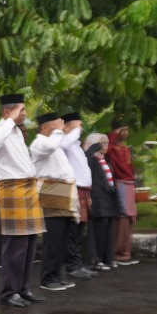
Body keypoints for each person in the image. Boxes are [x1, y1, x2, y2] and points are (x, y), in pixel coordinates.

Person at [0, 94, 45, 309]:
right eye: (21, 109)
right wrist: (10, 119)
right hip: (12, 188)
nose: (25, 113)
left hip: (28, 187)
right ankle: (9, 291)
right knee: (15, 243)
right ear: (7, 112)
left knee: (30, 241)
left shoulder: (16, 132)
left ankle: (23, 288)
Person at [31, 110, 81, 293]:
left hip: (64, 194)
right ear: (46, 127)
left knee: (63, 239)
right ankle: (48, 277)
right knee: (54, 238)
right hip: (51, 193)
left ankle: (58, 275)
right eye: (56, 123)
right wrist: (60, 130)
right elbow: (50, 147)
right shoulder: (40, 143)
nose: (61, 126)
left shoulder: (56, 144)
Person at [61, 112, 98, 280]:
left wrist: (88, 193)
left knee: (79, 231)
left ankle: (77, 264)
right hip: (73, 190)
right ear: (66, 126)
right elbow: (65, 143)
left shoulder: (76, 146)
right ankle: (72, 266)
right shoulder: (64, 142)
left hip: (83, 190)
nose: (81, 129)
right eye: (78, 125)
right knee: (73, 230)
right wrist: (72, 129)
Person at [85, 133, 124, 271]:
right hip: (98, 199)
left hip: (109, 200)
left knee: (109, 230)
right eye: (102, 143)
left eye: (107, 143)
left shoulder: (105, 161)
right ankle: (97, 259)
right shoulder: (91, 160)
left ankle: (109, 257)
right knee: (98, 230)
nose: (105, 146)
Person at [107, 118, 139, 265]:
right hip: (120, 184)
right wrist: (113, 134)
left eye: (127, 130)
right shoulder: (111, 147)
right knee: (123, 217)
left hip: (129, 184)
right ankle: (119, 254)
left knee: (130, 218)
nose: (125, 133)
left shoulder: (125, 148)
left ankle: (126, 253)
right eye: (122, 130)